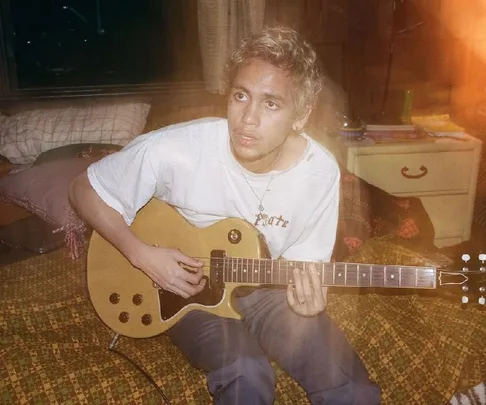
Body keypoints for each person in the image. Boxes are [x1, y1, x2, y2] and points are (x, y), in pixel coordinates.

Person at [69, 26, 380, 405]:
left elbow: (306, 266)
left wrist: (309, 302)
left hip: (268, 287)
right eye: (241, 95)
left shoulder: (320, 172)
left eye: (271, 104)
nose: (248, 118)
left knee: (351, 387)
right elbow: (83, 189)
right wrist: (142, 255)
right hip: (189, 290)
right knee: (246, 371)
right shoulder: (178, 148)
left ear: (300, 116)